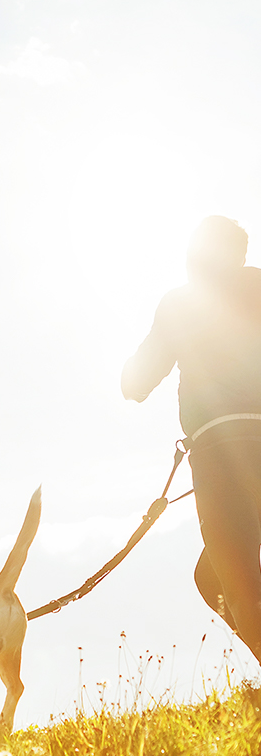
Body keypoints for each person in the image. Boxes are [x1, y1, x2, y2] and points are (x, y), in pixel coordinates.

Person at [122, 215, 261, 665]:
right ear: (240, 255)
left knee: (230, 579)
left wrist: (131, 378)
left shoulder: (182, 303)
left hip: (221, 453)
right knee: (212, 576)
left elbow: (137, 381)